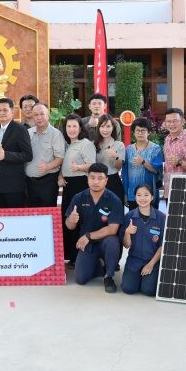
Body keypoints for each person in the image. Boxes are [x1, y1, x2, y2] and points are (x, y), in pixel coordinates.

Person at [64, 163, 123, 293]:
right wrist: (71, 220)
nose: (96, 182)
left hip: (105, 242)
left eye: (100, 178)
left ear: (106, 180)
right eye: (92, 178)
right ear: (87, 179)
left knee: (112, 241)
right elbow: (69, 226)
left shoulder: (114, 200)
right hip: (88, 244)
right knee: (80, 279)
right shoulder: (78, 197)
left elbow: (112, 229)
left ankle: (109, 276)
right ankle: (100, 264)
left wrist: (88, 236)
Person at [59, 114, 97, 264]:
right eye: (68, 126)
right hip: (68, 185)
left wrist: (78, 167)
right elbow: (64, 164)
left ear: (80, 128)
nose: (71, 129)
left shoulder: (85, 143)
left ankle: (79, 257)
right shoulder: (67, 144)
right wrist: (60, 176)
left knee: (79, 220)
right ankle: (70, 255)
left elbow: (92, 164)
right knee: (68, 219)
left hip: (80, 184)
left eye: (74, 126)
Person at [120, 184, 166, 296]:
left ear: (152, 197)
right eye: (139, 195)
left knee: (148, 290)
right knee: (128, 289)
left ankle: (147, 278)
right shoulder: (129, 217)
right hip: (134, 260)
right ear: (135, 197)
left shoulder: (161, 217)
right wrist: (127, 233)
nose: (142, 198)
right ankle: (137, 278)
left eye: (146, 195)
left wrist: (151, 264)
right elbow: (126, 245)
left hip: (152, 260)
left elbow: (162, 245)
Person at [0, 97, 32, 208]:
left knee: (15, 221)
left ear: (12, 112)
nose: (2, 113)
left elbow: (28, 155)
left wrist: (6, 155)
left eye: (5, 110)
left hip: (14, 186)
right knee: (0, 220)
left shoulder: (20, 130)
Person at [25, 103, 65, 207]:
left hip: (48, 182)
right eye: (36, 115)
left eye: (42, 114)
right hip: (29, 183)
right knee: (32, 214)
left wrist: (47, 166)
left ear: (48, 115)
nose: (39, 117)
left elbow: (60, 158)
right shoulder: (27, 133)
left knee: (47, 214)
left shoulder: (56, 134)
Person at [122, 117, 163, 209]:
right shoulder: (128, 150)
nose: (140, 133)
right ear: (134, 132)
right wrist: (125, 193)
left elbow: (156, 170)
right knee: (133, 220)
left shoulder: (155, 149)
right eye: (137, 130)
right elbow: (125, 174)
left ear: (149, 132)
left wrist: (143, 162)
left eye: (143, 130)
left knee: (151, 221)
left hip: (149, 193)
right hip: (132, 194)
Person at [161, 108, 186, 202]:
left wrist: (179, 162)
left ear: (183, 121)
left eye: (175, 121)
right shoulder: (167, 139)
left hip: (185, 190)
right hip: (169, 188)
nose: (171, 124)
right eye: (168, 121)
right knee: (170, 216)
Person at [94, 114, 125, 202]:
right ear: (98, 128)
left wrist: (116, 157)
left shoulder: (119, 145)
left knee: (116, 212)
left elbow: (119, 167)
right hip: (97, 182)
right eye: (102, 126)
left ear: (113, 128)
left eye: (108, 126)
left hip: (113, 181)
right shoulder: (93, 144)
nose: (105, 130)